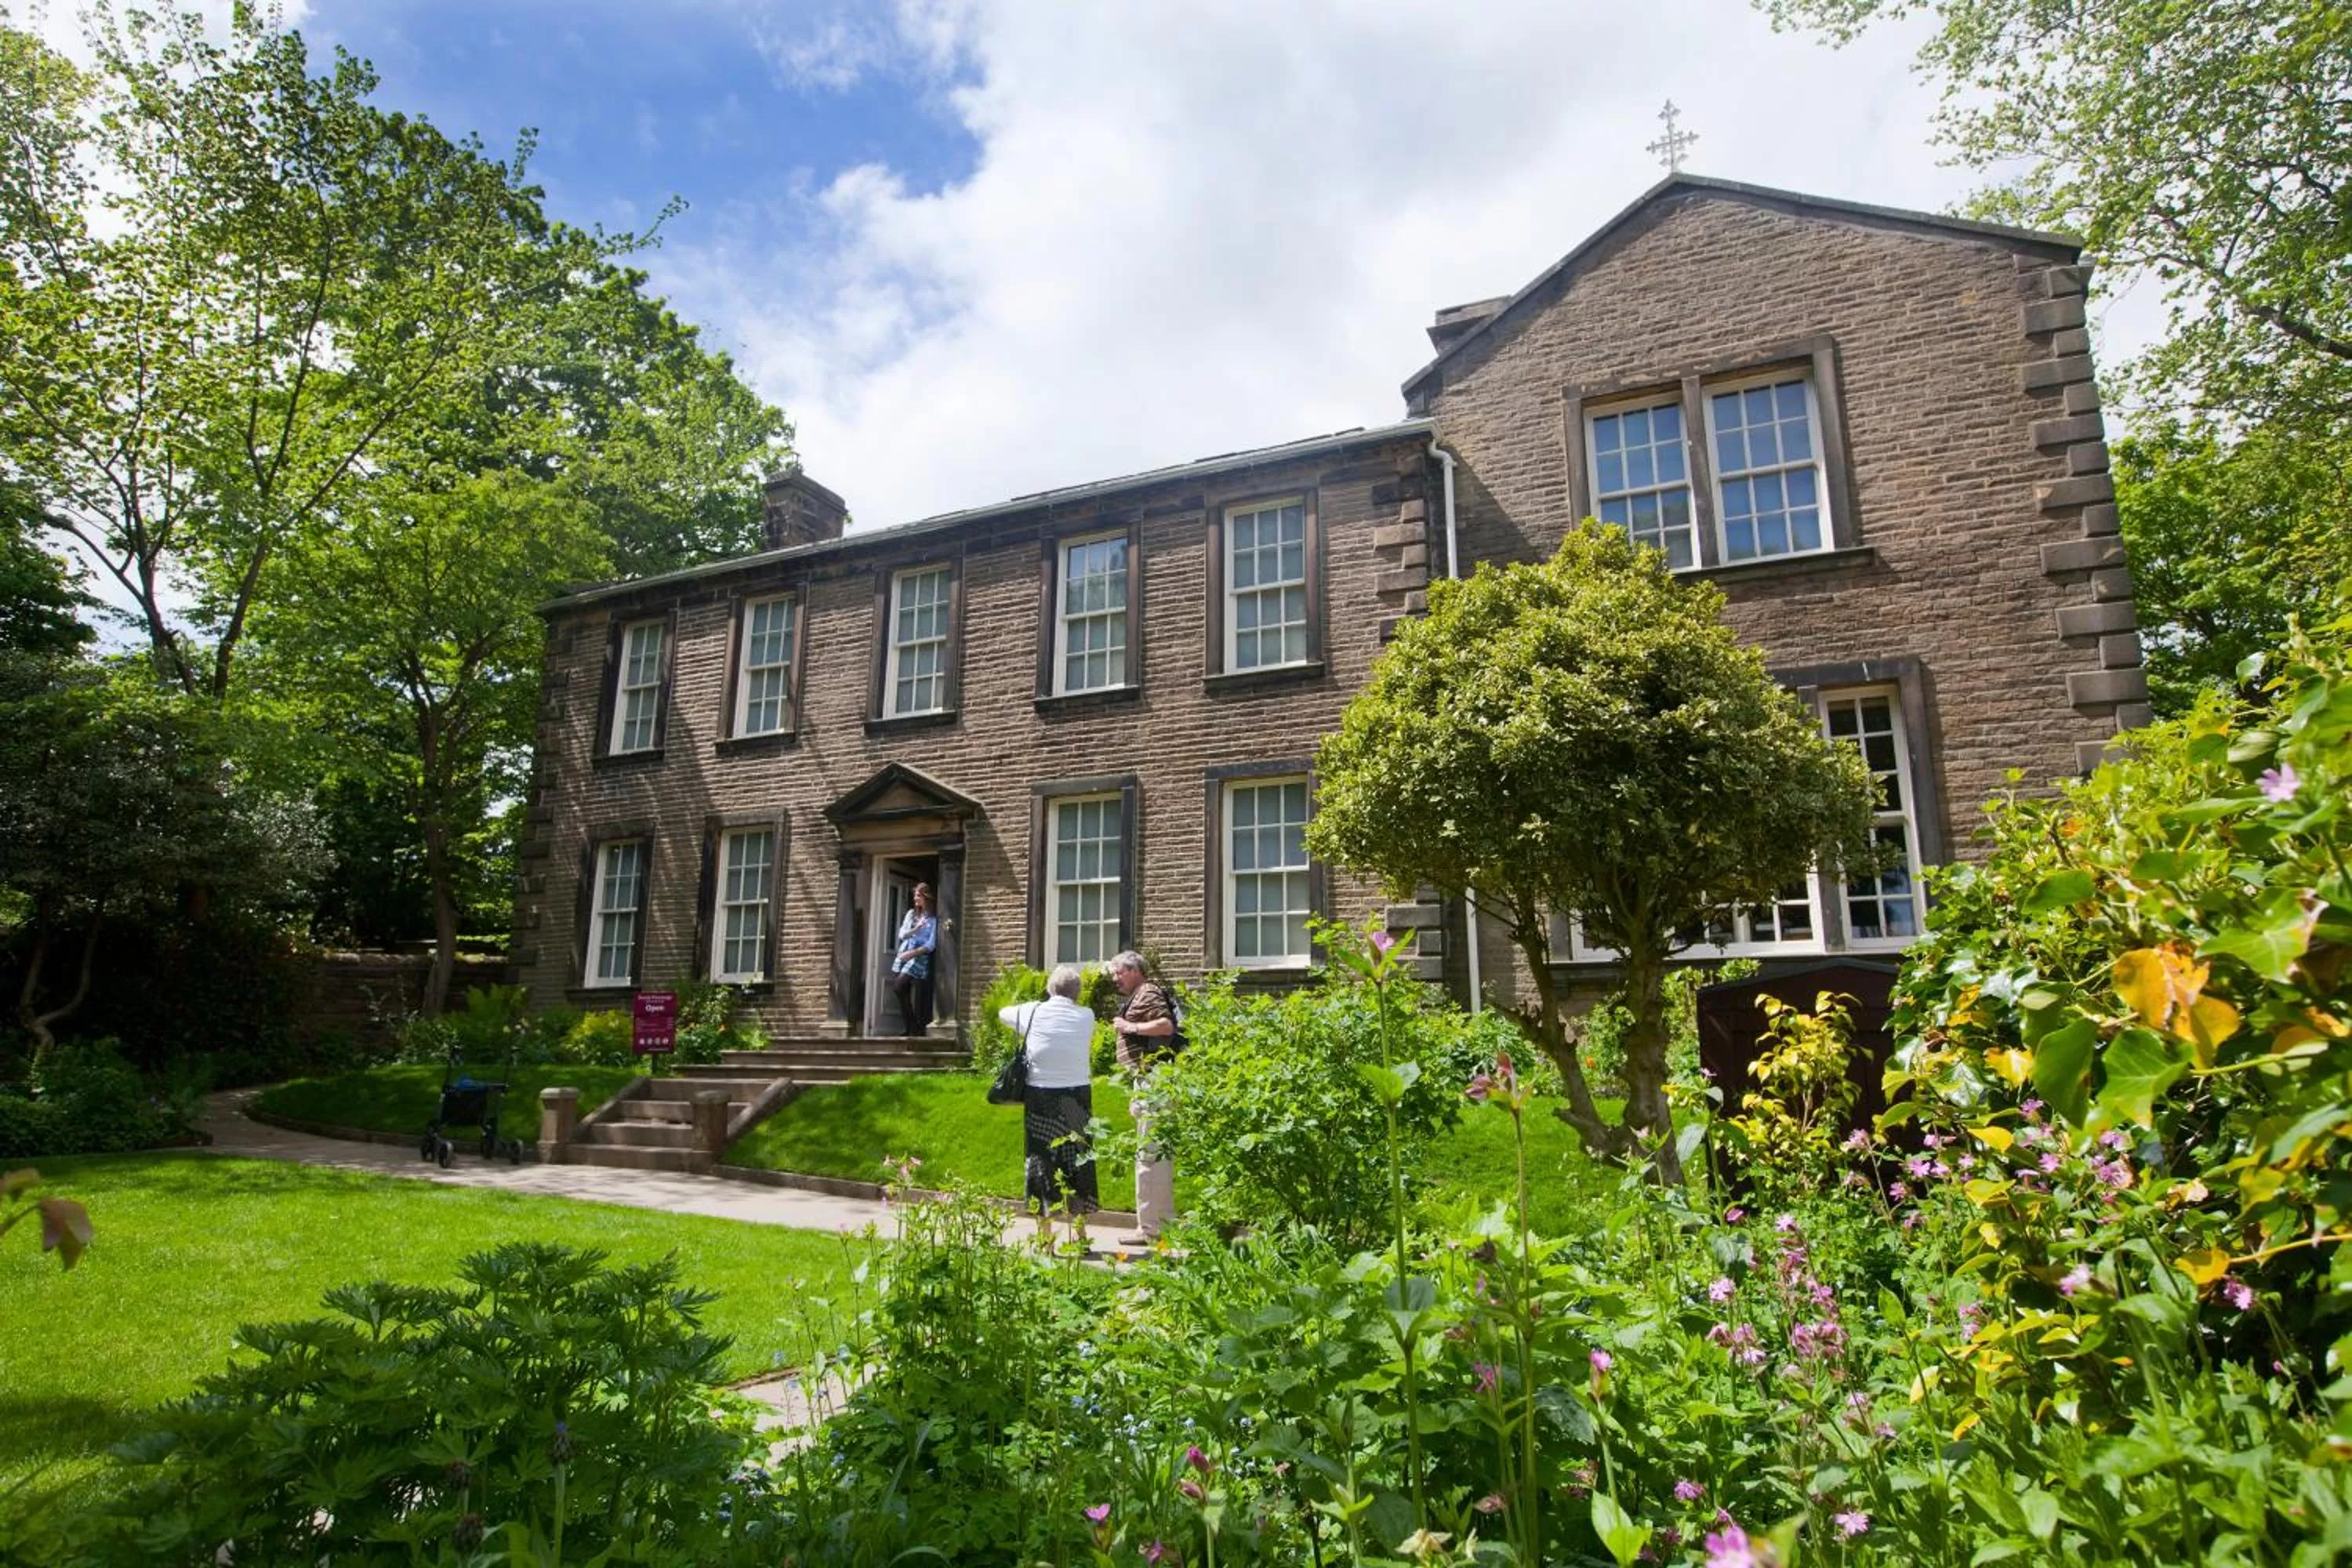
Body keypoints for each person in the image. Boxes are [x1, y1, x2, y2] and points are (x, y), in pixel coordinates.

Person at [999, 964, 1100, 1222]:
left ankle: (1046, 1238)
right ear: (1077, 992)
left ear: (1049, 988)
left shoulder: (1032, 1012)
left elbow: (1003, 1013)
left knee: (1040, 1159)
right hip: (1077, 1094)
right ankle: (1080, 1235)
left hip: (1041, 1095)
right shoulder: (1087, 1015)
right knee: (1079, 1157)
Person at [1108, 950, 1177, 1245]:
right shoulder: (1142, 994)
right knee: (1152, 1155)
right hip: (1148, 1081)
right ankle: (1156, 1224)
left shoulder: (1147, 992)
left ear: (1135, 970)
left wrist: (1129, 1027)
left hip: (1155, 1082)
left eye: (1118, 973)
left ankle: (1152, 1228)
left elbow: (1165, 1026)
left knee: (1150, 1156)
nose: (1114, 979)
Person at [888, 883, 936, 1037]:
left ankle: (915, 1025)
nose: (915, 898)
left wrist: (913, 953)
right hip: (904, 952)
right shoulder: (911, 914)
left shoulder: (934, 919)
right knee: (903, 990)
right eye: (915, 895)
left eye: (918, 895)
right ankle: (911, 1028)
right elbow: (902, 935)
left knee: (898, 986)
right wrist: (916, 929)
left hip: (918, 956)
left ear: (926, 897)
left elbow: (931, 944)